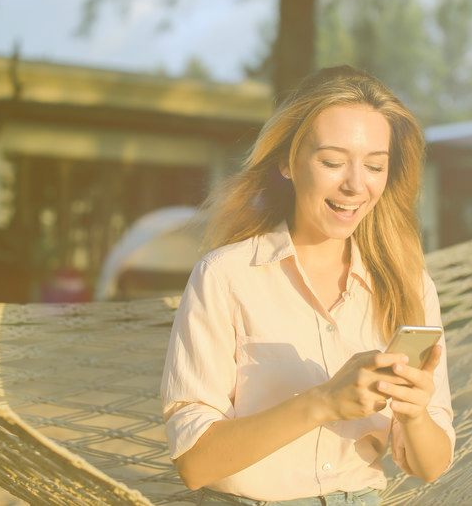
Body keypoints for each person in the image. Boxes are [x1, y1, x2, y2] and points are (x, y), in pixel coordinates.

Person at [161, 66, 454, 505]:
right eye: (333, 162)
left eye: (375, 165)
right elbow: (195, 464)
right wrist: (324, 403)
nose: (356, 184)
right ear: (288, 163)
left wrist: (414, 413)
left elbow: (431, 467)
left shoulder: (408, 284)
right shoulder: (225, 277)